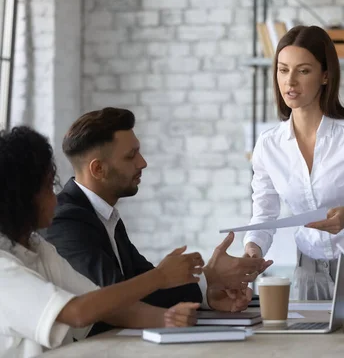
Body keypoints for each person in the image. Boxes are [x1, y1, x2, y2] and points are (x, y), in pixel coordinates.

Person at [43, 108, 271, 335]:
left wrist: (207, 296)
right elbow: (113, 295)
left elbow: (147, 285)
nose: (142, 163)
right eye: (131, 156)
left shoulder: (106, 215)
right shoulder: (67, 219)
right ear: (98, 169)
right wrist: (209, 275)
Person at [0, 126, 202, 358]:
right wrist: (160, 277)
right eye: (47, 188)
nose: (55, 197)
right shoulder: (3, 269)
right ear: (21, 198)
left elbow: (104, 306)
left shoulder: (37, 248)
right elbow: (78, 312)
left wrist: (166, 319)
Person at [242, 25, 344, 300]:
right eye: (283, 69)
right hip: (309, 272)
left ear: (325, 75)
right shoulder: (269, 145)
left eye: (303, 71)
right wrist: (253, 250)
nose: (290, 82)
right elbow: (264, 215)